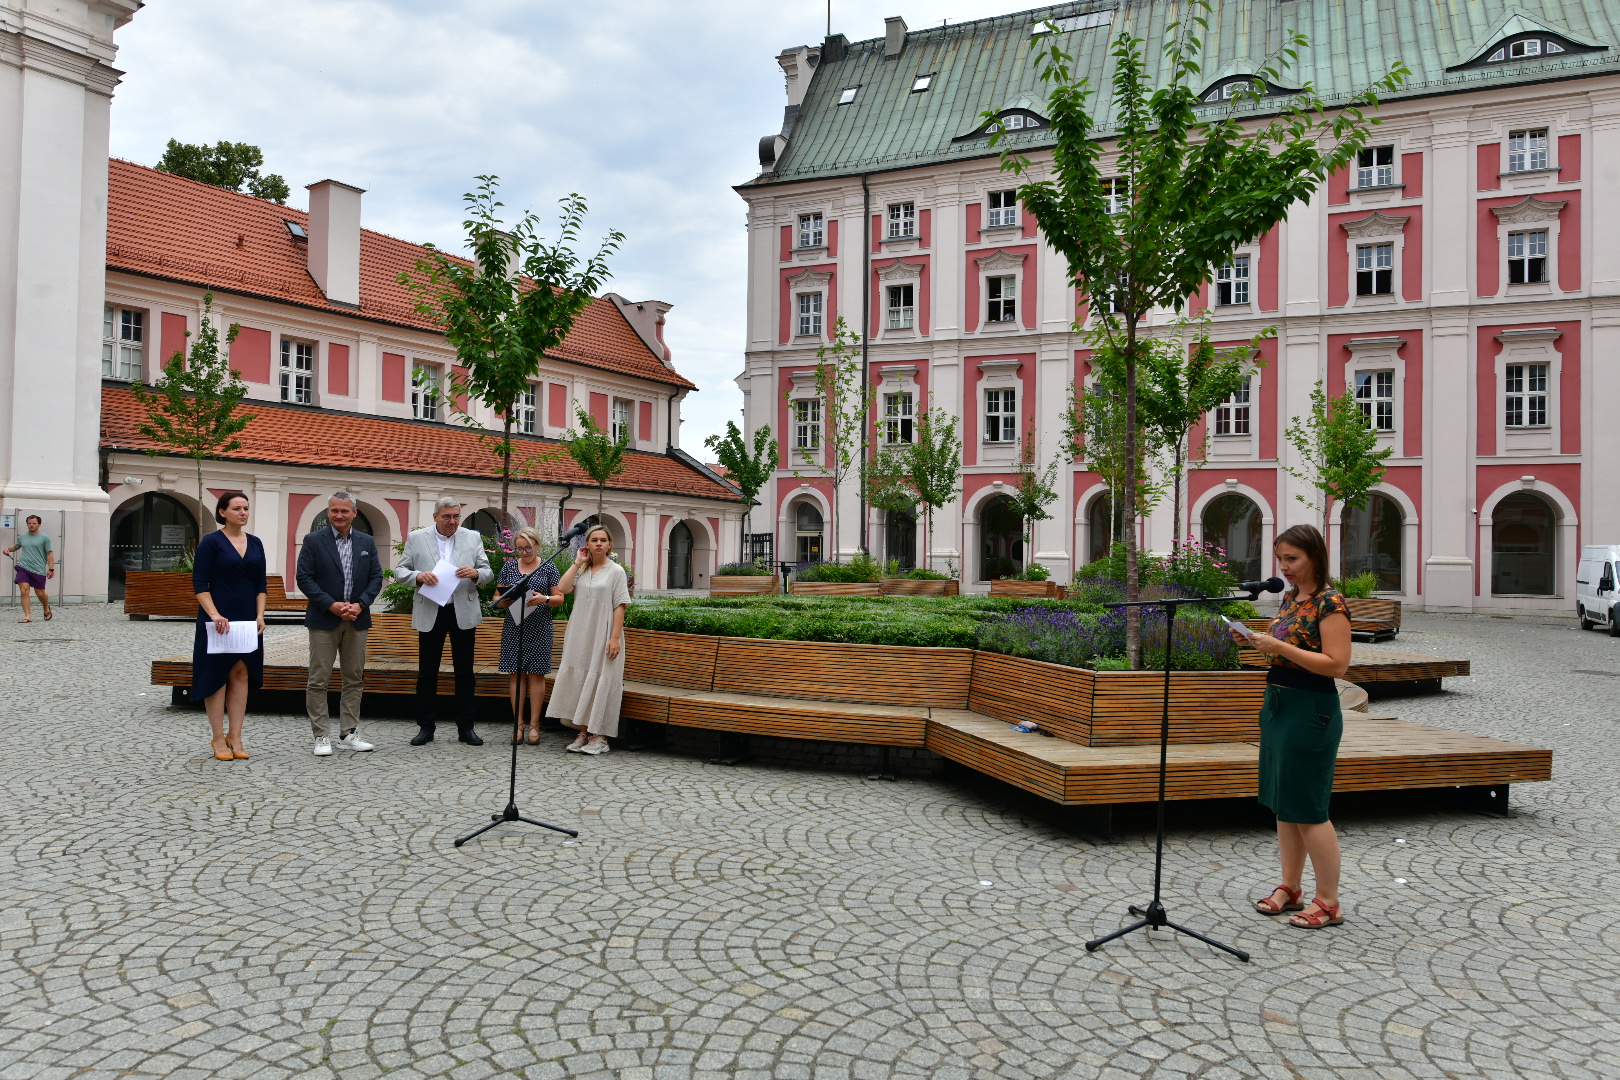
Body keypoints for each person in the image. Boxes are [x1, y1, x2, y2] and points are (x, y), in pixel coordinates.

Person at [1231, 524, 1352, 930]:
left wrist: (1279, 646)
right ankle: (1290, 887)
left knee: (1310, 808)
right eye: (1281, 559)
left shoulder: (1330, 603)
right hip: (1279, 704)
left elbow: (1337, 664)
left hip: (1310, 709)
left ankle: (1329, 901)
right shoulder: (1291, 598)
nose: (1284, 567)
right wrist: (1255, 641)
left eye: (1292, 559)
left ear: (1314, 556)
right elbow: (1289, 648)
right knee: (1285, 802)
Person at [395, 497, 492, 746]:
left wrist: (475, 574)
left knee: (465, 673)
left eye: (456, 516)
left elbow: (488, 572)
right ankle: (426, 727)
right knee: (427, 673)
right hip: (431, 609)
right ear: (436, 516)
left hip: (462, 610)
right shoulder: (418, 538)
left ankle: (466, 728)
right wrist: (418, 576)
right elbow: (400, 572)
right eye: (447, 517)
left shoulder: (472, 537)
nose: (452, 521)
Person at [297, 491, 384, 757]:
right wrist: (331, 604)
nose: (339, 515)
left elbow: (376, 578)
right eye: (334, 510)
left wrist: (360, 604)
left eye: (344, 511)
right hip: (324, 618)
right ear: (328, 512)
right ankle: (321, 736)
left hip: (357, 618)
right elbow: (304, 578)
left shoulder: (366, 541)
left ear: (354, 513)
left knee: (354, 679)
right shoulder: (313, 540)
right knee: (318, 679)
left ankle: (348, 733)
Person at [191, 491, 267, 761]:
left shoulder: (256, 543)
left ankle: (235, 735)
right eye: (237, 508)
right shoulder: (211, 543)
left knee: (241, 674)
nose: (243, 513)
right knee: (217, 677)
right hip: (218, 619)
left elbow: (261, 585)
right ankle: (217, 736)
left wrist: (260, 615)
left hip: (247, 617)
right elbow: (200, 584)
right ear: (222, 512)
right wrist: (213, 614)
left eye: (246, 508)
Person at [548, 525, 630, 755]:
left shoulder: (616, 572)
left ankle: (600, 735)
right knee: (582, 677)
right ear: (587, 544)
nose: (599, 544)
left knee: (600, 678)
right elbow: (562, 589)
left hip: (603, 632)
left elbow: (620, 605)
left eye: (603, 540)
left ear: (610, 544)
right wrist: (577, 562)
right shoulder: (582, 569)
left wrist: (615, 638)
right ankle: (583, 731)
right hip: (580, 631)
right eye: (594, 540)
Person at [494, 526, 565, 744]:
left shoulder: (548, 566)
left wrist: (544, 599)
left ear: (537, 545)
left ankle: (535, 725)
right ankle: (518, 724)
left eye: (528, 548)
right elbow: (497, 595)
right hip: (515, 626)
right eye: (520, 549)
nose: (524, 553)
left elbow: (560, 598)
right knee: (516, 674)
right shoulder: (508, 568)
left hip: (540, 626)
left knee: (536, 675)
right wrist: (502, 601)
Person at [7, 515, 55, 622]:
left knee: (40, 593)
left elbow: (50, 553)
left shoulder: (45, 538)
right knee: (24, 591)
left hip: (38, 569)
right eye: (29, 523)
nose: (31, 525)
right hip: (23, 568)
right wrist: (8, 549)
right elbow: (16, 546)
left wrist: (51, 569)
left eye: (34, 523)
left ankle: (46, 608)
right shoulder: (22, 537)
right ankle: (27, 616)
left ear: (39, 524)